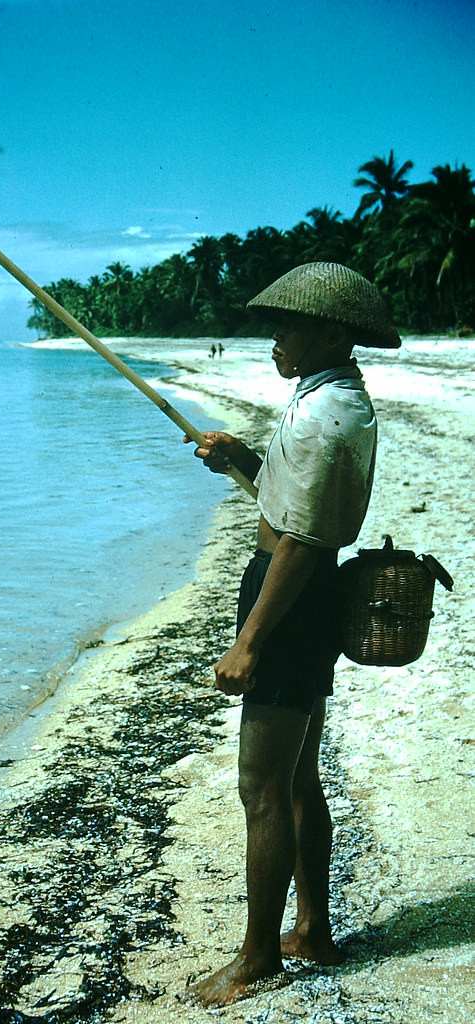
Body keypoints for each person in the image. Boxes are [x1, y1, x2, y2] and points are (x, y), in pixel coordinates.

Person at [182, 262, 401, 1007]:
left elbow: (302, 541)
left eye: (287, 326)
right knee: (298, 778)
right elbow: (296, 501)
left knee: (261, 786)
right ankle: (311, 931)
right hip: (303, 596)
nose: (273, 337)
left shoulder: (321, 415)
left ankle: (255, 960)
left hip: (289, 594)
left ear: (331, 334)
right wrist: (243, 460)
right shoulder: (334, 399)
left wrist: (248, 641)